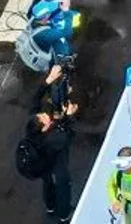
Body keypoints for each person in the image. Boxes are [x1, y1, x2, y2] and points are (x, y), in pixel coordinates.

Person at [22, 91, 78, 224]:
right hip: (56, 166)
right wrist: (69, 116)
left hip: (43, 166)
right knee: (63, 188)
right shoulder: (53, 139)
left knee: (48, 184)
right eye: (44, 117)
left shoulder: (32, 130)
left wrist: (47, 82)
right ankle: (64, 215)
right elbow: (68, 135)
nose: (45, 114)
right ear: (45, 128)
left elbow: (35, 99)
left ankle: (50, 207)